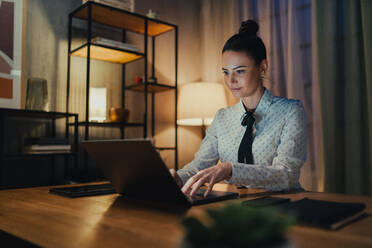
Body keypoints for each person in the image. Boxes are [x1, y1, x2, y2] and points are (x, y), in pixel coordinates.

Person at [170, 20, 307, 197]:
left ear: (262, 67)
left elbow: (287, 175)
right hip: (237, 209)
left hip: (283, 208)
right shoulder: (222, 117)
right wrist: (177, 178)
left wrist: (231, 169)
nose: (230, 80)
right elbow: (199, 166)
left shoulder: (291, 111)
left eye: (240, 71)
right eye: (226, 72)